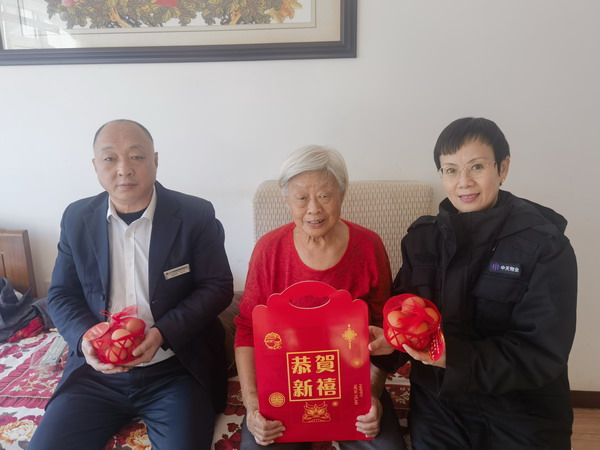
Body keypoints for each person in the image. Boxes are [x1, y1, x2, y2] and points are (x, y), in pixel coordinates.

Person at [369, 117, 577, 449]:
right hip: (440, 402)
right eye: (451, 170)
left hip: (522, 408)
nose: (463, 182)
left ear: (503, 168)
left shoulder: (544, 245)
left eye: (476, 167)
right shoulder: (422, 240)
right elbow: (407, 316)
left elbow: (542, 353)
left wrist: (452, 356)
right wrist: (391, 340)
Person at [29, 119, 234, 450]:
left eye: (136, 156)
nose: (124, 169)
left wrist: (162, 333)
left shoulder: (195, 214)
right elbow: (62, 294)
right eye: (110, 158)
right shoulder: (76, 217)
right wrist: (86, 338)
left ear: (155, 160)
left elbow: (217, 285)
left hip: (175, 369)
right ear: (95, 166)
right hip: (96, 374)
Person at [234, 145, 405, 449]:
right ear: (286, 198)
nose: (313, 209)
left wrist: (371, 395)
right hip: (284, 388)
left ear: (342, 193)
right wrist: (252, 403)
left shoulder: (369, 246)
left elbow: (382, 331)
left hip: (352, 387)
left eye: (325, 196)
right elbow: (247, 329)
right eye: (301, 198)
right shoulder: (269, 250)